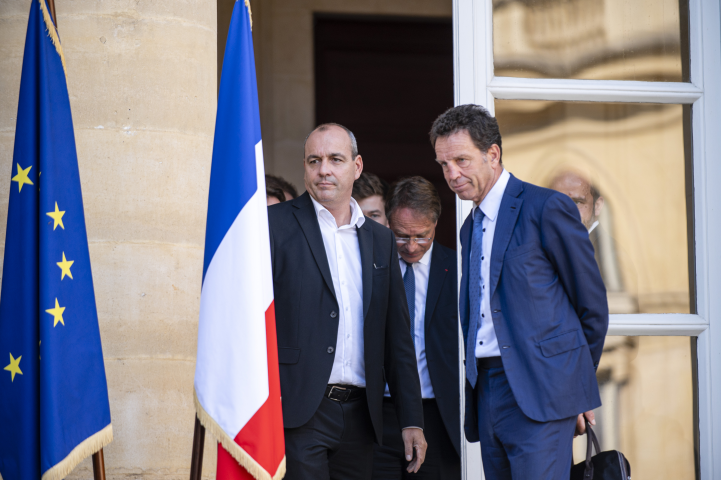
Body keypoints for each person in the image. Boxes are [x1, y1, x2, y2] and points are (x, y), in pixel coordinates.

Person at [429, 105, 609, 479]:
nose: (452, 174)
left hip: (541, 390)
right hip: (487, 391)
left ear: (492, 154)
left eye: (461, 160)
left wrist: (571, 388)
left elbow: (591, 306)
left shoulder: (546, 207)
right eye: (444, 164)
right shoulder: (469, 227)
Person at [268, 123, 427, 480]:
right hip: (298, 412)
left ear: (356, 167)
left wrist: (411, 420)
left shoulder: (381, 240)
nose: (323, 169)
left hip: (361, 416)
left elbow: (397, 338)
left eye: (335, 159)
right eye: (314, 160)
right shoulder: (273, 226)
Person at [371, 177, 461, 480]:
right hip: (378, 414)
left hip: (438, 415)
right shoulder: (371, 267)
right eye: (400, 236)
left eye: (421, 236)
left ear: (436, 223)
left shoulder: (459, 269)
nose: (411, 247)